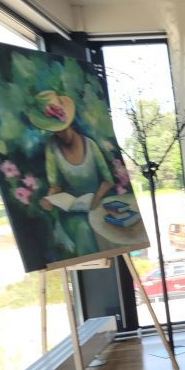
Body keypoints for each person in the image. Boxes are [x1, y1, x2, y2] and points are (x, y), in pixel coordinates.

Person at [31, 90, 114, 255]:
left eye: (62, 129)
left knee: (109, 228)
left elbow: (108, 180)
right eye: (55, 130)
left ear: (69, 122)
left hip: (96, 204)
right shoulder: (52, 148)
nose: (60, 134)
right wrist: (48, 199)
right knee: (83, 228)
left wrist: (95, 199)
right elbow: (55, 185)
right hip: (72, 212)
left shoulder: (90, 145)